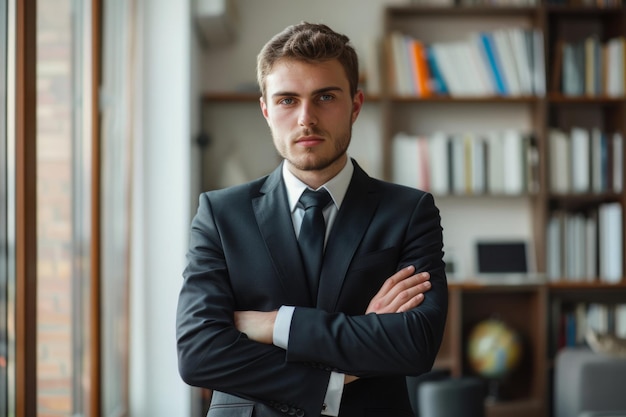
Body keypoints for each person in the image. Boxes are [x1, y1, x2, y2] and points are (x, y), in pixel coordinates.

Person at [176, 22, 448, 417]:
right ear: (266, 110)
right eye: (287, 100)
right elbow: (199, 354)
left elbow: (416, 344)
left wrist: (275, 325)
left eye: (325, 97)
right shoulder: (220, 214)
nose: (306, 118)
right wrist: (339, 374)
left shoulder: (409, 212)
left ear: (355, 105)